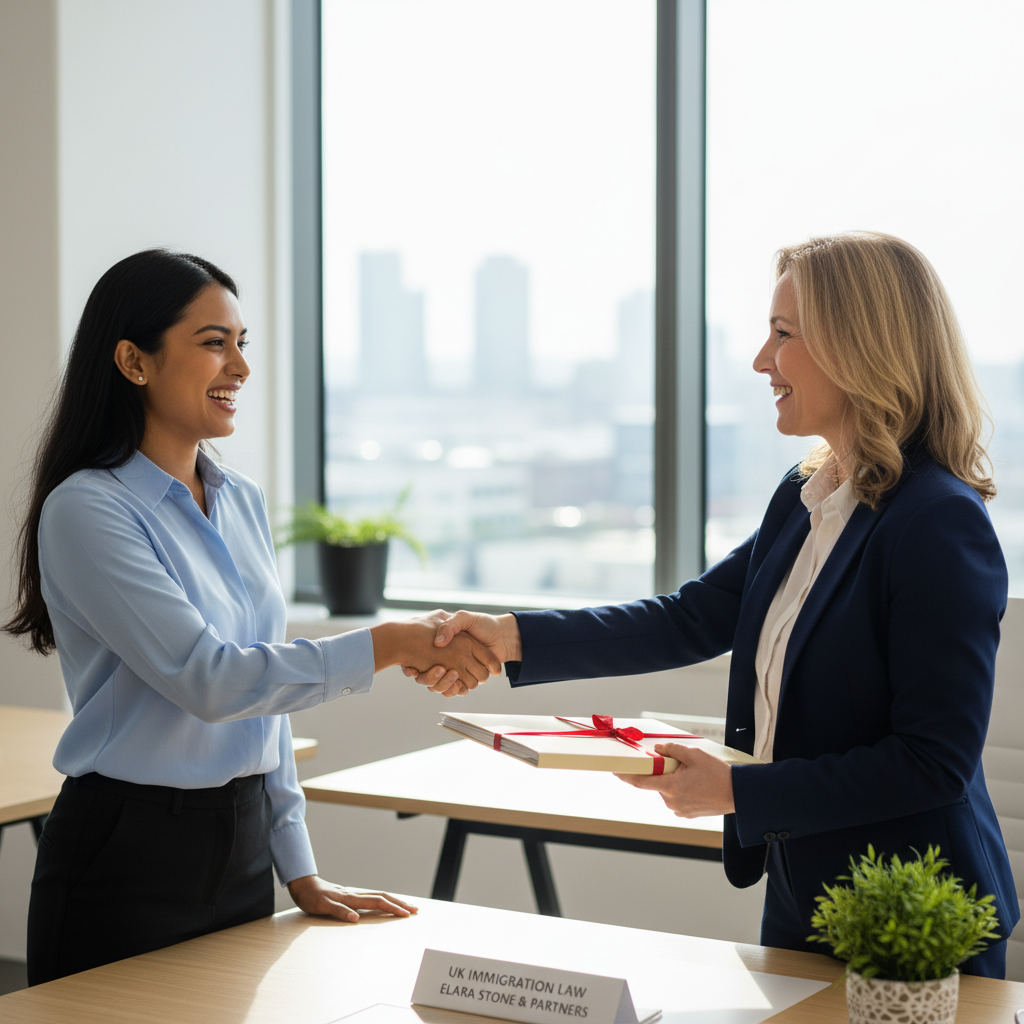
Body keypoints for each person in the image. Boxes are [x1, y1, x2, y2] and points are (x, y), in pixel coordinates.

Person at [411, 232, 1019, 978]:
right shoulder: (806, 498)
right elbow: (692, 616)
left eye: (782, 335)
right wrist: (508, 637)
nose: (763, 361)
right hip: (808, 892)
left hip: (912, 913)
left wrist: (735, 789)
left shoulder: (935, 522)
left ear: (858, 345)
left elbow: (933, 763)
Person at [3, 249, 501, 985]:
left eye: (242, 344)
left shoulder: (240, 500)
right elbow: (213, 682)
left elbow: (263, 703)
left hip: (239, 848)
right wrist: (391, 642)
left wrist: (296, 865)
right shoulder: (88, 509)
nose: (239, 366)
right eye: (213, 343)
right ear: (134, 361)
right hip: (125, 853)